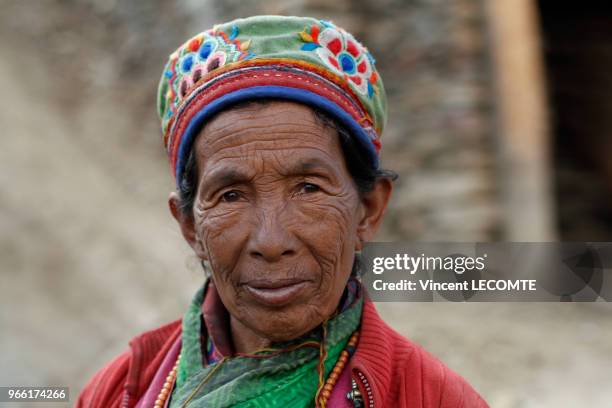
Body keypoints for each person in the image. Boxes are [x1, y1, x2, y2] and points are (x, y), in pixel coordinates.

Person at [77, 15, 488, 408]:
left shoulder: (432, 398)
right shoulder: (118, 391)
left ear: (369, 209)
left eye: (308, 189)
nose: (271, 243)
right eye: (231, 196)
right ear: (190, 226)